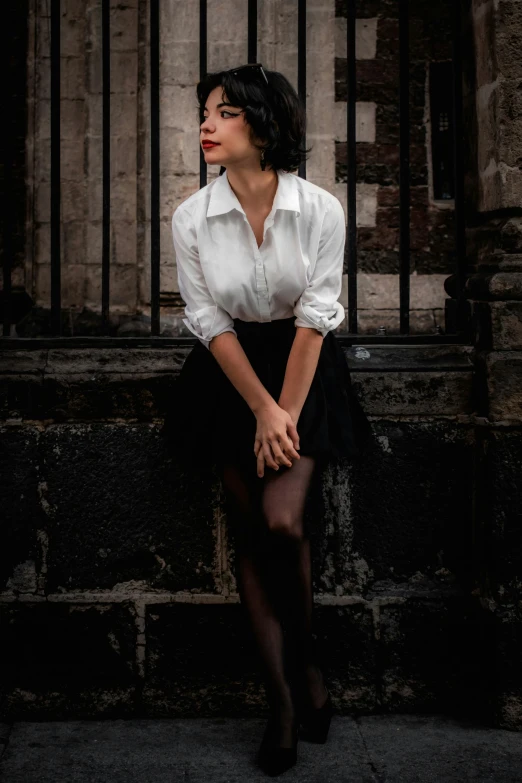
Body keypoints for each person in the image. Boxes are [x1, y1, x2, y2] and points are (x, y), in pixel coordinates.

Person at [160, 63, 372, 776]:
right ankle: (282, 698)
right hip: (230, 374)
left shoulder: (319, 210)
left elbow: (315, 317)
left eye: (223, 113)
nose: (205, 127)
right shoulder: (191, 217)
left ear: (262, 122)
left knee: (285, 518)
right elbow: (207, 320)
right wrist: (258, 407)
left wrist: (284, 411)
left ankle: (308, 664)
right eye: (205, 115)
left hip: (304, 366)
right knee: (254, 530)